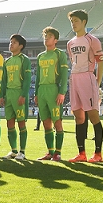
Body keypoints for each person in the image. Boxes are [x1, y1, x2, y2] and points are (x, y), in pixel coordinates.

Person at [65, 10, 103, 163]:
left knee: (93, 115)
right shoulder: (70, 43)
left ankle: (98, 154)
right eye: (72, 21)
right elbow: (73, 61)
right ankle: (81, 153)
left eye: (76, 20)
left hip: (87, 77)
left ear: (84, 22)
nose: (73, 24)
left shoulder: (92, 40)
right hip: (74, 78)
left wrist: (97, 82)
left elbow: (100, 62)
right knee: (78, 116)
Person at [35, 27, 69, 161]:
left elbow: (65, 75)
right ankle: (50, 152)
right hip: (42, 91)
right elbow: (37, 76)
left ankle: (58, 153)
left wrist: (62, 92)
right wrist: (37, 93)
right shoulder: (40, 56)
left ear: (55, 40)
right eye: (45, 36)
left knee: (57, 122)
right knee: (46, 123)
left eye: (49, 36)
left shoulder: (60, 54)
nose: (46, 38)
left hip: (53, 89)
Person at [0, 34, 32, 160]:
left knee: (21, 123)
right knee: (10, 123)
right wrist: (2, 95)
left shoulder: (25, 60)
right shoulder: (6, 61)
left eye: (14, 42)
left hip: (19, 93)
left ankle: (22, 152)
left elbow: (27, 79)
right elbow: (3, 80)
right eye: (10, 42)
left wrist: (23, 95)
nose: (11, 44)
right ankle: (13, 151)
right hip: (8, 94)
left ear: (21, 46)